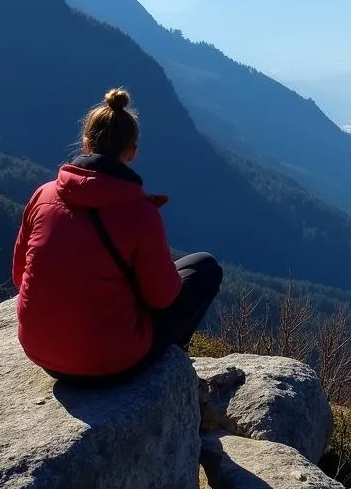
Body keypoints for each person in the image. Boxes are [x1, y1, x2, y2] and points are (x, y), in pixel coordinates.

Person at [12, 87, 223, 386]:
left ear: (86, 144)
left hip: (41, 352)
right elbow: (162, 298)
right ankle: (170, 364)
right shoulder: (140, 214)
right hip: (111, 363)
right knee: (205, 268)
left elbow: (20, 277)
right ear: (132, 151)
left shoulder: (43, 196)